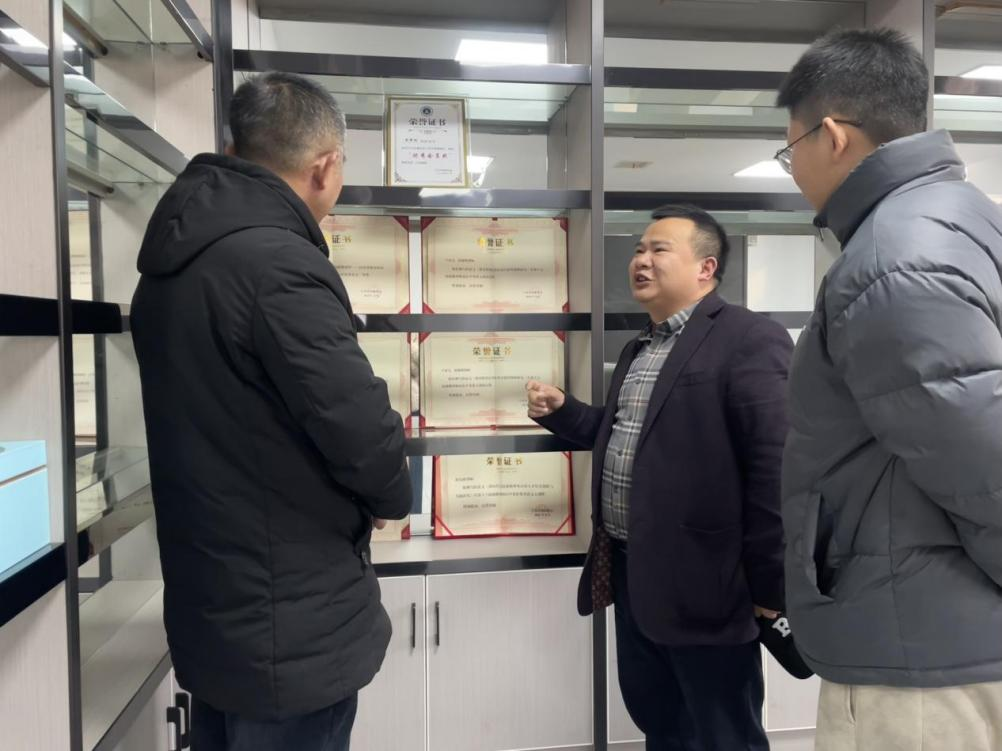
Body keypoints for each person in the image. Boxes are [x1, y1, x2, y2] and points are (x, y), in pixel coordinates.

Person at [130, 72, 412, 751]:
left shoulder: (173, 262)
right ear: (325, 166)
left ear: (236, 148)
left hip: (217, 606)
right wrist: (391, 495)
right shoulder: (279, 264)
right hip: (289, 621)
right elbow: (357, 424)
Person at [777, 28, 1002, 750]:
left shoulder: (892, 259)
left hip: (921, 655)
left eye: (791, 147)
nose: (792, 168)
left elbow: (983, 469)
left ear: (833, 135)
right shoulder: (965, 217)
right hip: (942, 627)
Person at [528, 204, 791, 750]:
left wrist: (772, 587)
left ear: (706, 267)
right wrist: (564, 411)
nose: (641, 260)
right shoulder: (640, 346)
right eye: (638, 250)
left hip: (710, 585)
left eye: (658, 249)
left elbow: (774, 469)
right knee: (662, 725)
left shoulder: (748, 337)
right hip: (635, 575)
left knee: (724, 734)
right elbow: (632, 435)